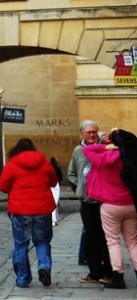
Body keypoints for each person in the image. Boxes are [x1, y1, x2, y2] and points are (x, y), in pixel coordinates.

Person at [0, 137, 58, 289]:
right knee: (42, 241)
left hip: (20, 211)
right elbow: (53, 182)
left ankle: (23, 279)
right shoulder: (44, 163)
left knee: (21, 245)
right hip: (42, 209)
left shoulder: (12, 164)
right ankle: (44, 266)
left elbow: (3, 186)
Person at [83, 128, 137, 289]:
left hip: (110, 205)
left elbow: (87, 148)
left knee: (113, 242)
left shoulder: (103, 159)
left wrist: (106, 147)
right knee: (133, 243)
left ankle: (118, 277)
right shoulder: (132, 158)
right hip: (131, 204)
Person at [68, 120, 112, 285]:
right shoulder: (78, 151)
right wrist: (79, 189)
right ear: (83, 134)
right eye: (89, 132)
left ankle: (108, 272)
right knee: (91, 236)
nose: (92, 135)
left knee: (107, 238)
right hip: (87, 201)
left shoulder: (105, 148)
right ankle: (94, 272)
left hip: (104, 201)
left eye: (94, 132)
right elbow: (72, 173)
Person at [50, 156, 63, 226]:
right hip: (55, 184)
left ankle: (54, 219)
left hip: (50, 185)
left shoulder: (48, 166)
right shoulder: (57, 167)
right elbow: (60, 176)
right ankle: (54, 220)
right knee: (55, 203)